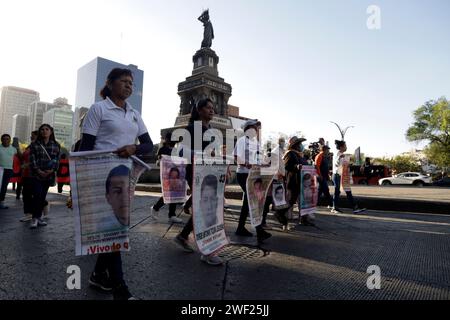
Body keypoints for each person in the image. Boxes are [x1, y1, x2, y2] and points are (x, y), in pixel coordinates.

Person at [80, 68, 153, 300]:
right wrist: (80, 185)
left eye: (131, 82)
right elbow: (85, 147)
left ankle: (97, 275)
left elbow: (149, 145)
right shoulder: (98, 109)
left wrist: (134, 148)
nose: (129, 85)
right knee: (114, 230)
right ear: (110, 84)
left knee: (113, 229)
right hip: (101, 175)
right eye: (124, 81)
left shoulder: (134, 113)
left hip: (124, 178)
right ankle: (121, 290)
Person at [173, 98, 224, 266]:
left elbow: (213, 152)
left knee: (205, 207)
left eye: (213, 108)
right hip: (195, 171)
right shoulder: (192, 129)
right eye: (208, 108)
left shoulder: (211, 130)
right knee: (207, 208)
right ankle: (208, 251)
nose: (212, 110)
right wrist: (201, 155)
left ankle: (184, 236)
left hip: (210, 171)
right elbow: (181, 151)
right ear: (199, 110)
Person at [233, 119, 272, 242]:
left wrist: (267, 165)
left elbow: (259, 160)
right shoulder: (242, 141)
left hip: (254, 175)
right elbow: (236, 157)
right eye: (254, 128)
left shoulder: (257, 143)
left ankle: (240, 227)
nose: (255, 130)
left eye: (256, 129)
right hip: (244, 175)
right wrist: (246, 164)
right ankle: (259, 230)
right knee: (252, 200)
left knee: (248, 202)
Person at [29, 124, 60, 229]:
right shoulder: (34, 144)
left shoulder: (56, 145)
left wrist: (52, 170)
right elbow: (32, 159)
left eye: (47, 129)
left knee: (42, 197)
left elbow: (57, 160)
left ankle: (39, 217)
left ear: (51, 131)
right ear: (40, 132)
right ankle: (34, 218)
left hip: (48, 175)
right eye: (42, 129)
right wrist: (38, 170)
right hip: (36, 175)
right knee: (37, 195)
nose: (44, 131)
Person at [152, 133, 184, 224]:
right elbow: (158, 162)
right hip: (167, 174)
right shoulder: (162, 149)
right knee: (169, 194)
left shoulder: (176, 150)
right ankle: (157, 208)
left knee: (173, 194)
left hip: (175, 174)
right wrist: (161, 160)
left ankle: (171, 215)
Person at [283, 136, 315, 226]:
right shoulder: (290, 154)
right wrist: (296, 167)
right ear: (296, 145)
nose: (301, 145)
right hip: (294, 182)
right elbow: (287, 166)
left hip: (302, 182)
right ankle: (280, 214)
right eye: (300, 144)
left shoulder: (299, 154)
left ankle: (303, 219)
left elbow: (304, 165)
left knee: (303, 201)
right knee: (291, 201)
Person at [331, 140, 366, 214]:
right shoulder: (338, 154)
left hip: (343, 175)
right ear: (341, 147)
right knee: (337, 191)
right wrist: (339, 158)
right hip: (337, 175)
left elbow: (345, 165)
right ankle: (334, 208)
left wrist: (356, 166)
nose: (346, 147)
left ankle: (355, 208)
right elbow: (336, 164)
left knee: (348, 191)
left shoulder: (343, 155)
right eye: (345, 146)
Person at [100, 165, 131, 230]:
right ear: (108, 198)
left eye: (129, 190)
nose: (124, 198)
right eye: (118, 191)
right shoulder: (102, 227)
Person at [20, 131, 38, 222]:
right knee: (26, 194)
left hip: (34, 174)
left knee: (33, 194)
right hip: (25, 174)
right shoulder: (29, 146)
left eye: (33, 136)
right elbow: (23, 157)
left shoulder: (39, 147)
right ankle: (28, 214)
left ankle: (32, 213)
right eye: (31, 136)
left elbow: (40, 160)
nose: (31, 137)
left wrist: (27, 165)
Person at [0, 134, 18, 209]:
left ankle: (1, 203)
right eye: (4, 139)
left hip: (9, 170)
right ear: (1, 140)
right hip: (0, 169)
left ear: (10, 140)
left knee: (4, 187)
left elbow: (20, 156)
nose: (6, 140)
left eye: (7, 139)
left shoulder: (14, 149)